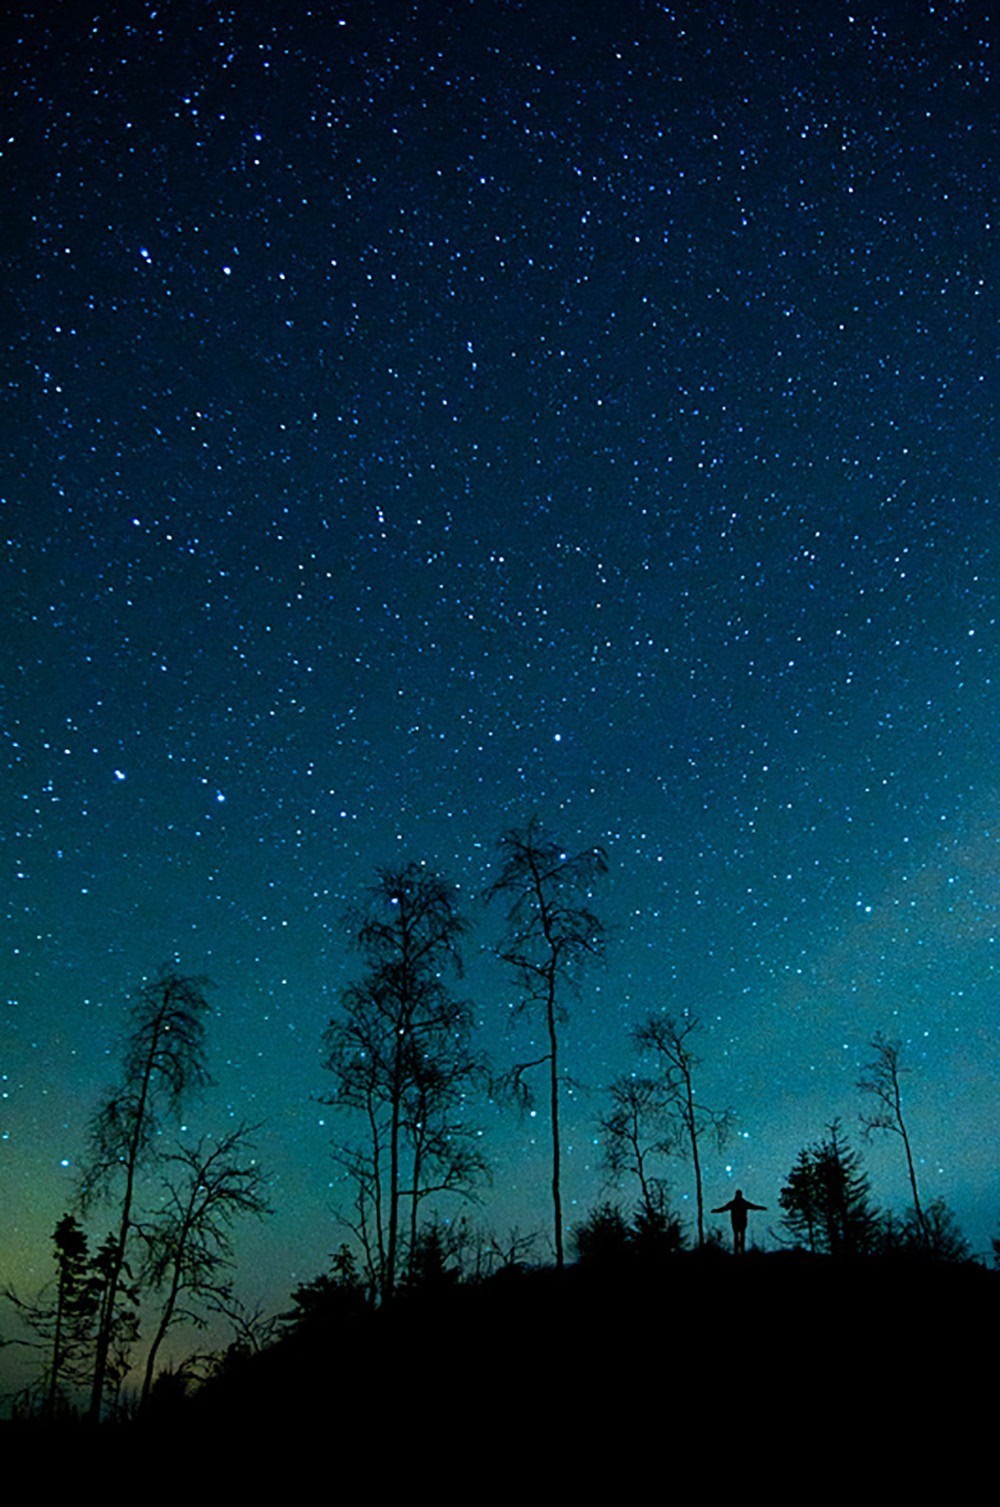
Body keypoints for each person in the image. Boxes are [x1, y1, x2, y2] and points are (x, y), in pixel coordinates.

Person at [711, 1189, 766, 1255]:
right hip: (739, 1222)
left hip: (738, 1222)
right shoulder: (741, 1203)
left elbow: (723, 1208)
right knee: (740, 1236)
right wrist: (716, 1210)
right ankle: (739, 1251)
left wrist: (716, 1210)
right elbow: (753, 1206)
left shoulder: (735, 1203)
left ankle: (738, 1251)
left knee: (738, 1236)